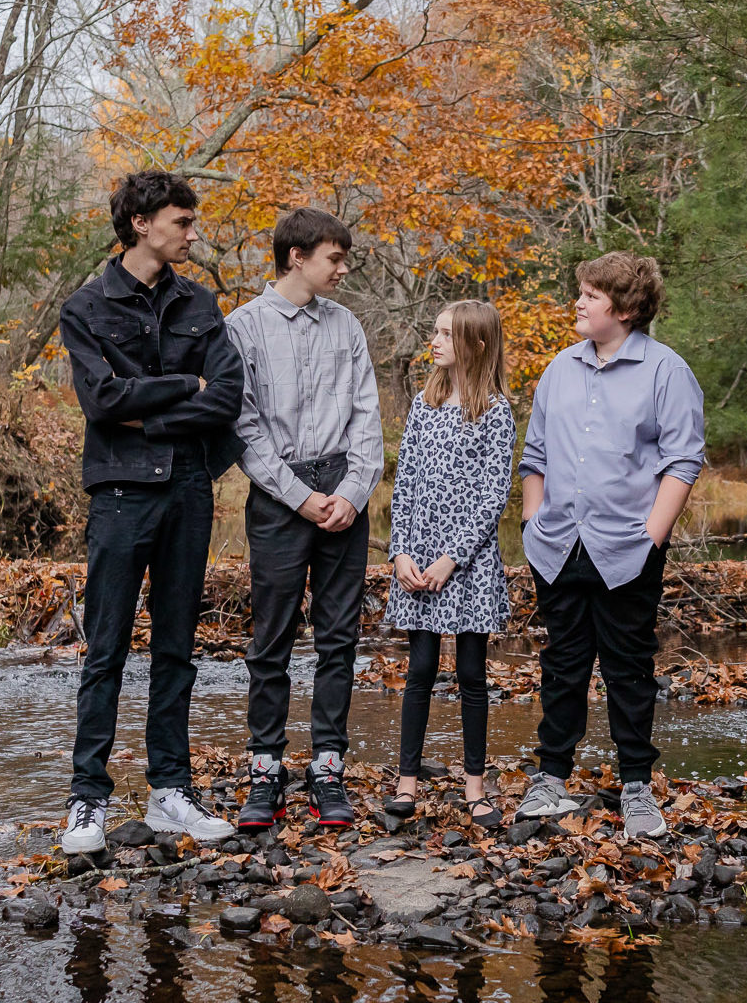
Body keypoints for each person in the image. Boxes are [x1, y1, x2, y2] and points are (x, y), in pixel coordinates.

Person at [55, 170, 246, 853]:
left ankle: (171, 790)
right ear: (141, 223)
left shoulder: (200, 301)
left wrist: (152, 412)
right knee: (104, 648)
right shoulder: (87, 307)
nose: (193, 234)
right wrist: (178, 387)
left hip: (189, 488)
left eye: (192, 223)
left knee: (176, 647)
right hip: (118, 494)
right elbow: (103, 402)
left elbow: (225, 396)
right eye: (182, 223)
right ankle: (87, 799)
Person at [514, 251, 705, 839]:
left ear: (622, 310)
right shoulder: (559, 369)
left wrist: (652, 536)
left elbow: (682, 460)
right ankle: (551, 780)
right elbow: (536, 455)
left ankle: (637, 789)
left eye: (591, 296)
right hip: (557, 545)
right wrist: (531, 519)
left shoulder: (666, 371)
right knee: (562, 665)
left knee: (629, 669)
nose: (579, 303)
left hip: (627, 546)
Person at [225, 206, 385, 831]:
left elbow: (367, 416)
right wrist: (299, 497)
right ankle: (266, 772)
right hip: (279, 494)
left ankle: (327, 770)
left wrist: (350, 492)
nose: (343, 269)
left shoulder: (347, 326)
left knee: (339, 637)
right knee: (271, 639)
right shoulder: (243, 328)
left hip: (344, 488)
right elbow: (242, 425)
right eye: (334, 258)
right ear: (297, 257)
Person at [383, 300, 514, 830]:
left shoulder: (496, 411)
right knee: (418, 670)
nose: (433, 342)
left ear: (476, 345)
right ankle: (407, 780)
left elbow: (492, 497)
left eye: (445, 334)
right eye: (433, 332)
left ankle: (475, 786)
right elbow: (406, 483)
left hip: (469, 563)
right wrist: (399, 553)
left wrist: (451, 560)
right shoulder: (424, 403)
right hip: (417, 556)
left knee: (470, 672)